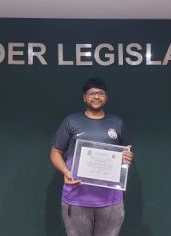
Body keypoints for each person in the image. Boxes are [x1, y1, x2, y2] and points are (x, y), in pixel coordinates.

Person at [50, 78, 134, 236]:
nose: (96, 96)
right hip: (76, 198)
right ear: (84, 97)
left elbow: (127, 152)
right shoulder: (71, 121)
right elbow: (55, 153)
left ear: (106, 97)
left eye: (100, 93)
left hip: (111, 201)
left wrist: (128, 158)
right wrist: (66, 172)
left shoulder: (117, 123)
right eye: (92, 93)